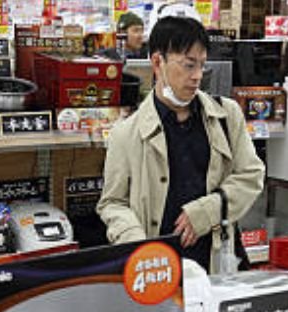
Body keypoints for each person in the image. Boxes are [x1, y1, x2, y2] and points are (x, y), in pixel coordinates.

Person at [96, 16, 265, 271]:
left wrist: (207, 212)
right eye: (188, 65)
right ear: (157, 62)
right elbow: (112, 203)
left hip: (217, 260)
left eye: (202, 65)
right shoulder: (126, 133)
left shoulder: (226, 115)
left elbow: (251, 175)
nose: (197, 76)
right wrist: (137, 245)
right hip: (157, 268)